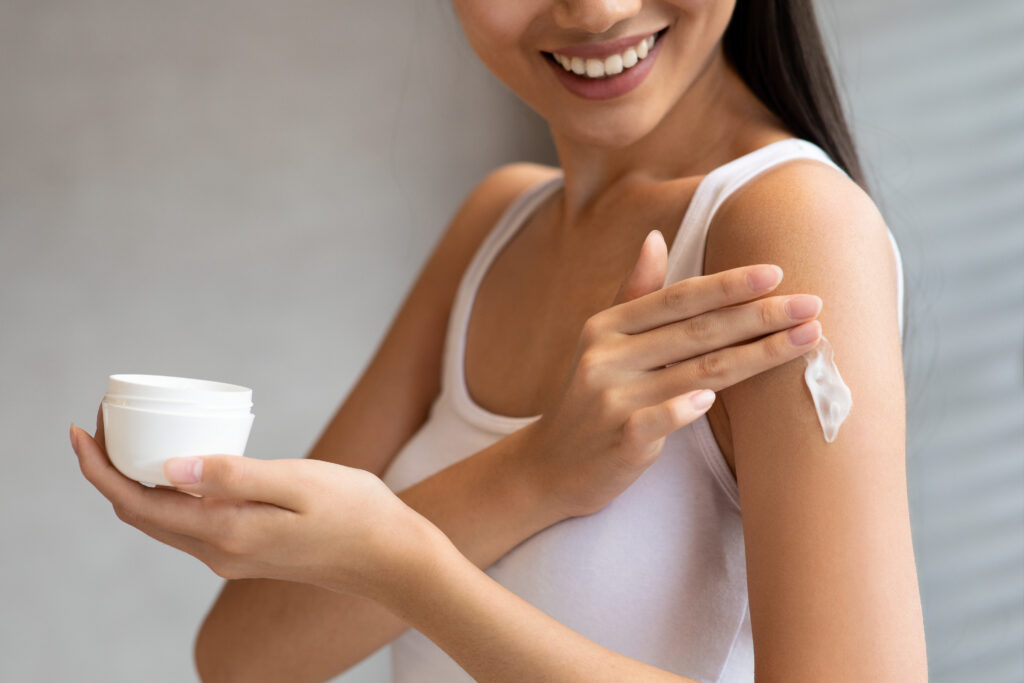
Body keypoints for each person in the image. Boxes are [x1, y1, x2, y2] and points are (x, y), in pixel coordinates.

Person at [70, 0, 928, 681]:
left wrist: (410, 567)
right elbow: (243, 657)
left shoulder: (789, 226)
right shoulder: (497, 225)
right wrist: (537, 472)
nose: (597, 11)